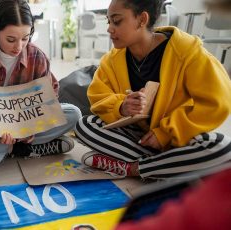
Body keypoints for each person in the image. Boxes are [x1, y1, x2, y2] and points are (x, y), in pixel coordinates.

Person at [74, 0, 231, 179]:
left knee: (223, 147)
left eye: (116, 21)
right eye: (108, 22)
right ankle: (166, 166)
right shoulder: (111, 60)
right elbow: (97, 95)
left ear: (142, 20)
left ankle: (133, 168)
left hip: (176, 140)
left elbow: (219, 102)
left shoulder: (187, 52)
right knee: (85, 125)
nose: (109, 28)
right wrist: (121, 106)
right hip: (135, 137)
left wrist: (165, 132)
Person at [0, 0, 82, 166]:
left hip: (30, 127)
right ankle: (23, 149)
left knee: (74, 114)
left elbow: (50, 100)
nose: (19, 47)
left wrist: (26, 129)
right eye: (11, 39)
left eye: (25, 38)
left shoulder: (37, 57)